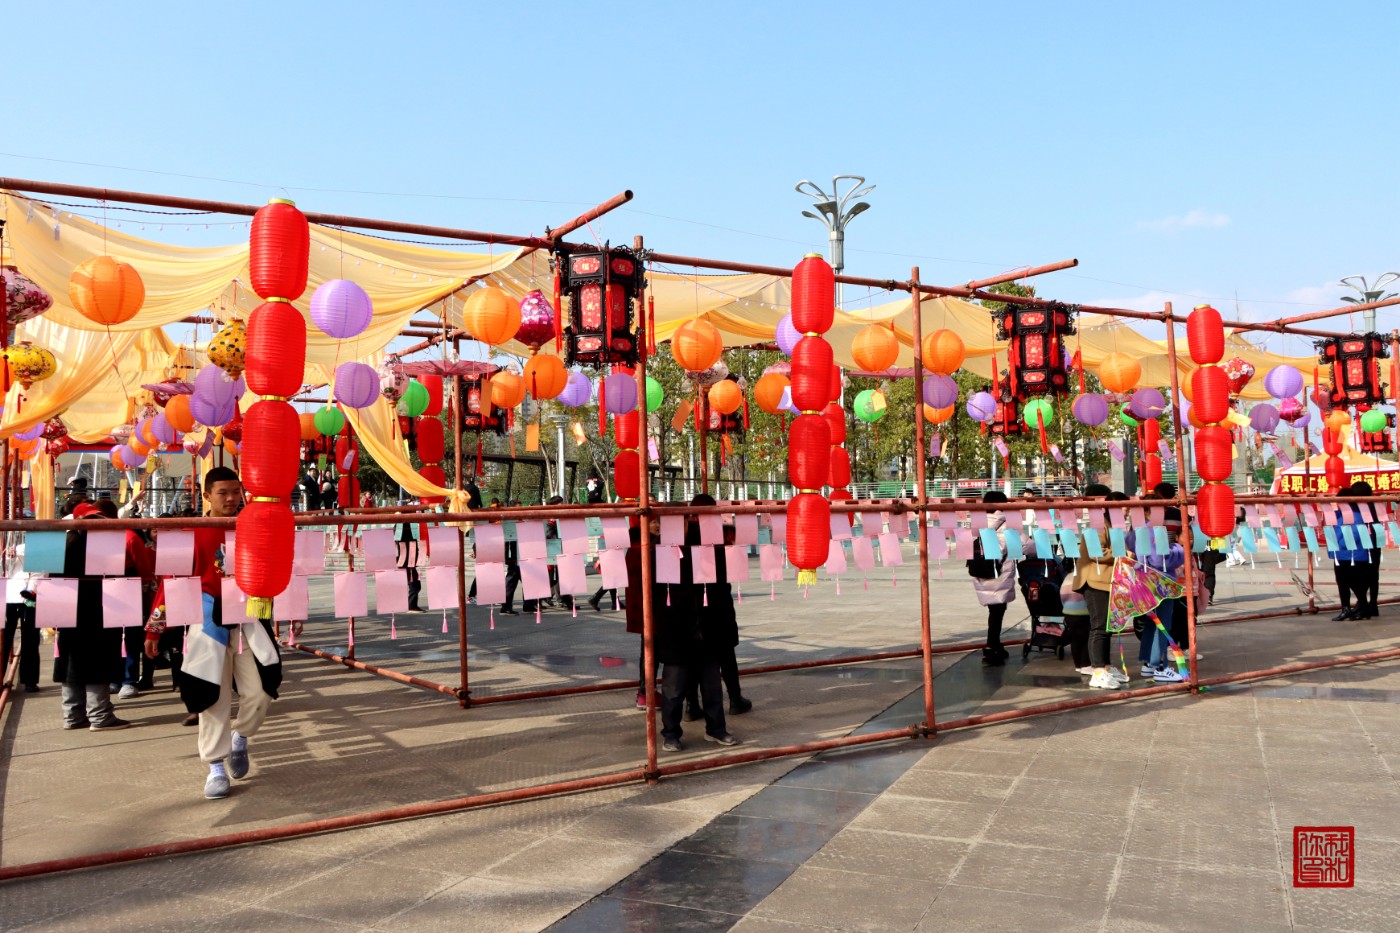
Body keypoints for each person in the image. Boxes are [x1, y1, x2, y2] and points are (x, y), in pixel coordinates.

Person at [144, 466, 283, 800]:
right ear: (207, 496)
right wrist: (155, 628)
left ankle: (241, 736)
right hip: (205, 622)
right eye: (223, 493)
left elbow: (271, 572)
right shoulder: (189, 531)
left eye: (236, 491)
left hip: (248, 619)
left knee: (262, 690)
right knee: (212, 696)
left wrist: (287, 613)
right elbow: (171, 581)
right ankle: (215, 766)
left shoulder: (253, 529)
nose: (231, 498)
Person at [656, 523, 738, 751]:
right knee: (673, 690)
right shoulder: (661, 552)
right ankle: (671, 734)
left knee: (712, 687)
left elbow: (722, 590)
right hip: (676, 629)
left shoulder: (709, 549)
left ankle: (716, 729)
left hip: (707, 628)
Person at [54, 502, 129, 731]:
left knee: (71, 663)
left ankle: (72, 715)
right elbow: (120, 575)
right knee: (97, 661)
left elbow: (48, 577)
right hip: (99, 610)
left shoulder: (63, 543)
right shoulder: (105, 546)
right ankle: (100, 715)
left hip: (67, 610)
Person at [684, 494, 752, 717]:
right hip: (718, 598)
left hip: (690, 601)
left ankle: (692, 705)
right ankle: (734, 698)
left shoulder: (682, 533)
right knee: (726, 653)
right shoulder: (724, 532)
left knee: (692, 655)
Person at [1075, 485, 1128, 689]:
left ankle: (1105, 666)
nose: (1126, 514)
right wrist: (1123, 554)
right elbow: (1097, 552)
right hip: (1094, 581)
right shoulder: (1098, 525)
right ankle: (1097, 671)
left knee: (1108, 626)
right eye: (1124, 509)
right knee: (1099, 626)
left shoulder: (1113, 527)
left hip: (1107, 581)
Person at [968, 490, 1016, 666]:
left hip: (981, 572)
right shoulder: (1007, 523)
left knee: (994, 612)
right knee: (997, 612)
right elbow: (1022, 544)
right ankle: (992, 646)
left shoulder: (977, 524)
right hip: (999, 573)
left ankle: (994, 644)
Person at [3, 536, 40, 694]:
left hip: (30, 597)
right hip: (9, 596)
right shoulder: (8, 549)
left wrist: (32, 590)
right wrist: (7, 556)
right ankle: (27, 680)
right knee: (5, 639)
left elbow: (40, 572)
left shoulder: (35, 549)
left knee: (30, 640)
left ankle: (30, 680)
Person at [1328, 488, 1370, 621]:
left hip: (1353, 555)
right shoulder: (1338, 515)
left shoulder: (1357, 515)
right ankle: (1345, 608)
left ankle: (1364, 607)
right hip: (1340, 554)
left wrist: (1340, 544)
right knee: (1342, 582)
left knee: (1355, 583)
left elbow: (1357, 533)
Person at [1350, 481, 1381, 618]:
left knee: (1360, 574)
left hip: (1364, 543)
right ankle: (1372, 605)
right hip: (1375, 540)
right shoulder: (1375, 504)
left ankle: (1362, 604)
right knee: (1373, 575)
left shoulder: (1357, 507)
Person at [396, 523, 422, 612]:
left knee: (415, 584)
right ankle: (411, 605)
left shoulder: (407, 528)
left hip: (408, 561)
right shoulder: (402, 529)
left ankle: (411, 605)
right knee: (415, 585)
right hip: (407, 561)